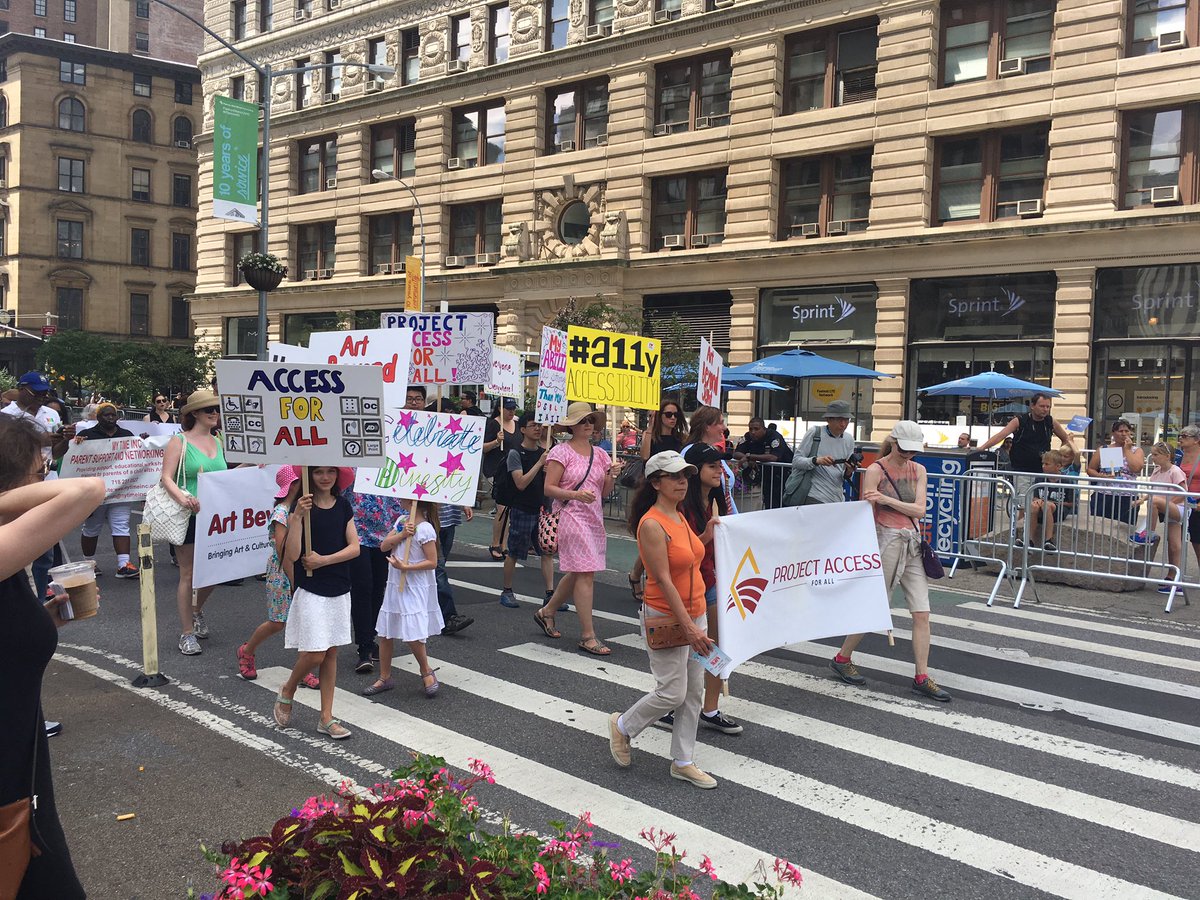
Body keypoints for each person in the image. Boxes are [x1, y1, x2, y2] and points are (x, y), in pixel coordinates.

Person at [0, 414, 105, 898]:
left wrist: (45, 620)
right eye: (39, 470)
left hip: (22, 769)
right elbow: (87, 492)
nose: (45, 480)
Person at [608, 450, 717, 789]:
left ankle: (683, 760)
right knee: (672, 692)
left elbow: (688, 558)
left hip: (695, 611)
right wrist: (688, 626)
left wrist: (708, 534)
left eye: (685, 475)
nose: (682, 481)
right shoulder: (652, 524)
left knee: (694, 691)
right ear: (656, 482)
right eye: (674, 476)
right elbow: (664, 578)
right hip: (669, 617)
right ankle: (624, 726)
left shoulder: (680, 514)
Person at [829, 421, 951, 702]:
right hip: (885, 541)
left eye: (912, 451)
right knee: (874, 606)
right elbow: (866, 512)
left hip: (911, 542)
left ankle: (922, 675)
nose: (908, 456)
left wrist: (886, 499)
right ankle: (842, 656)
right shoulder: (875, 469)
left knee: (922, 612)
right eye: (905, 449)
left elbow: (919, 510)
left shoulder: (918, 469)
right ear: (894, 442)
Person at [274, 466, 360, 739]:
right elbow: (292, 554)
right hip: (311, 587)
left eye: (330, 472)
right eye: (319, 472)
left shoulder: (344, 505)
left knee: (331, 652)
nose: (325, 477)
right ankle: (289, 688)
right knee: (315, 653)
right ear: (310, 476)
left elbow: (355, 547)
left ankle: (326, 717)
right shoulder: (301, 509)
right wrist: (297, 517)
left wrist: (324, 560)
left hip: (339, 585)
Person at [534, 402, 622, 655]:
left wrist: (611, 476)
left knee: (579, 570)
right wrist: (575, 494)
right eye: (582, 420)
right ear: (572, 425)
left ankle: (547, 611)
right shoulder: (560, 452)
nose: (587, 425)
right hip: (570, 515)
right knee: (585, 574)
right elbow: (548, 488)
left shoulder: (602, 454)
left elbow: (603, 493)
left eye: (590, 420)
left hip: (593, 518)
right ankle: (587, 635)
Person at [402, 386, 476, 635]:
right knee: (437, 564)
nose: (414, 403)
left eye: (418, 399)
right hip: (419, 514)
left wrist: (463, 498)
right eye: (409, 399)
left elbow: (458, 463)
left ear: (425, 402)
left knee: (435, 564)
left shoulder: (439, 429)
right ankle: (449, 616)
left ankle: (425, 610)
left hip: (446, 510)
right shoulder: (398, 429)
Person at [159, 389, 228, 656]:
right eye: (209, 409)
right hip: (188, 514)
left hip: (216, 516)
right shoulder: (179, 441)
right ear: (194, 414)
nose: (214, 413)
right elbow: (166, 478)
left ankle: (196, 609)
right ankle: (187, 633)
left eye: (216, 409)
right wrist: (184, 498)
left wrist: (252, 466)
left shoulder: (219, 440)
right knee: (188, 573)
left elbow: (224, 477)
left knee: (217, 570)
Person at [236, 467, 319, 687]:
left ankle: (304, 668)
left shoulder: (300, 509)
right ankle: (247, 650)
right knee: (277, 622)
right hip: (283, 571)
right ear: (293, 486)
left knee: (304, 618)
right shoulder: (282, 512)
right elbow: (282, 551)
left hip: (301, 566)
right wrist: (294, 580)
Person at [679, 443, 741, 734]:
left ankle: (711, 708)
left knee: (716, 645)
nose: (720, 471)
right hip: (686, 587)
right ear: (695, 471)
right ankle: (673, 704)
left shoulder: (717, 502)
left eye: (720, 465)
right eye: (712, 466)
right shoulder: (681, 507)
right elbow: (681, 551)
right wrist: (706, 535)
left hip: (711, 582)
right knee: (683, 651)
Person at [2, 372, 74, 597]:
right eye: (37, 392)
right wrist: (36, 440)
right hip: (18, 486)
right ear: (22, 388)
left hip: (47, 484)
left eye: (45, 393)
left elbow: (56, 453)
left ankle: (40, 598)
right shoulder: (6, 416)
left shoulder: (51, 413)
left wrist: (64, 439)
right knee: (18, 542)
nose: (42, 397)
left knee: (46, 551)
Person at [363, 498, 443, 698]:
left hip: (414, 585)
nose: (398, 498)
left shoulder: (425, 529)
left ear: (412, 500)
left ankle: (426, 670)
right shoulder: (401, 521)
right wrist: (401, 534)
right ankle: (385, 676)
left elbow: (432, 562)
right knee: (386, 631)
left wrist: (407, 567)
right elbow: (383, 546)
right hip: (395, 582)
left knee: (413, 630)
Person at [73, 402, 139, 578]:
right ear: (98, 417)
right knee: (92, 527)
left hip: (119, 490)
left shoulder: (126, 435)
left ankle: (123, 564)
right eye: (106, 415)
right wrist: (76, 444)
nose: (110, 418)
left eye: (113, 415)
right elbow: (74, 457)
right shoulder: (86, 435)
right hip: (95, 491)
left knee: (121, 526)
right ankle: (89, 563)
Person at [630, 399, 688, 598]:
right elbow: (645, 456)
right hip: (652, 489)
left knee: (666, 539)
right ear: (659, 417)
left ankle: (637, 574)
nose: (672, 418)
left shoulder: (681, 439)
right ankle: (639, 576)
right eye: (668, 414)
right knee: (655, 537)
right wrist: (649, 426)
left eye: (675, 415)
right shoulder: (652, 436)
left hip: (672, 491)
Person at [498, 414, 556, 608]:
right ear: (522, 429)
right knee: (514, 551)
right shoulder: (516, 454)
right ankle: (507, 590)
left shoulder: (544, 452)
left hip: (541, 509)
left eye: (539, 425)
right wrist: (539, 464)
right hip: (522, 508)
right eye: (532, 426)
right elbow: (520, 483)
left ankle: (550, 594)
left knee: (546, 552)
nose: (538, 429)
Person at [1130, 442, 1187, 594]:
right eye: (1153, 454)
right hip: (1165, 507)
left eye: (1156, 455)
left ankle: (1149, 533)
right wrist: (1141, 500)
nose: (1153, 458)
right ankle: (1174, 579)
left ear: (1167, 456)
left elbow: (1183, 493)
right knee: (1174, 544)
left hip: (1178, 508)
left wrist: (1166, 505)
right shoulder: (1156, 472)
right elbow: (1153, 491)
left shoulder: (1176, 471)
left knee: (1155, 501)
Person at [976, 392, 1076, 477]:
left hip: (1042, 470)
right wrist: (983, 447)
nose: (1045, 409)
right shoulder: (1020, 420)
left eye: (1048, 407)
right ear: (1032, 406)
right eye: (1042, 406)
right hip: (1021, 470)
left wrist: (1058, 457)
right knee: (1023, 499)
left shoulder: (1050, 421)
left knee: (1039, 499)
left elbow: (1066, 439)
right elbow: (1000, 436)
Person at [785, 400, 856, 507]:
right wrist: (816, 461)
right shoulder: (814, 432)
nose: (843, 424)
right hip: (813, 495)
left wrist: (849, 471)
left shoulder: (849, 439)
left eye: (846, 420)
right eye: (839, 420)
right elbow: (796, 460)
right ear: (828, 419)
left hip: (836, 498)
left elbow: (844, 474)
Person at [682, 407, 739, 514]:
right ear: (707, 426)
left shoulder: (712, 451)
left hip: (724, 518)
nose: (724, 427)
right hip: (703, 517)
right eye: (720, 423)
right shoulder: (690, 452)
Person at [1086, 419, 1144, 523]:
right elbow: (1090, 469)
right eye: (1120, 431)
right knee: (1101, 525)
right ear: (1113, 433)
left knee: (1125, 527)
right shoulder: (1103, 449)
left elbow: (1136, 468)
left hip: (1127, 495)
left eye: (1126, 431)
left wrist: (1127, 449)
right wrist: (1101, 476)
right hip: (1105, 494)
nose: (1124, 434)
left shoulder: (1137, 450)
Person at [484, 398, 520, 559]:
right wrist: (496, 442)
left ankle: (504, 543)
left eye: (513, 409)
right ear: (500, 408)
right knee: (502, 507)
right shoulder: (493, 425)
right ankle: (495, 543)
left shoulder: (518, 425)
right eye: (508, 409)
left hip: (513, 471)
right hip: (496, 471)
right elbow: (481, 447)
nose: (511, 412)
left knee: (510, 509)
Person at [734, 417, 793, 509]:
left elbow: (773, 457)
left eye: (756, 429)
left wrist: (750, 457)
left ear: (764, 429)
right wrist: (746, 458)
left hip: (784, 475)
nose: (753, 432)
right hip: (767, 476)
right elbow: (736, 453)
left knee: (783, 503)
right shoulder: (748, 436)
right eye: (750, 429)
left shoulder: (774, 436)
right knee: (769, 503)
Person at [1026, 451, 1065, 553]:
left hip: (1057, 510)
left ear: (1058, 466)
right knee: (1033, 506)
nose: (1043, 466)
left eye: (1047, 464)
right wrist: (1037, 501)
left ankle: (1049, 540)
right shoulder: (1040, 478)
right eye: (1043, 463)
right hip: (1041, 508)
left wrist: (1049, 502)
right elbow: (1035, 497)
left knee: (1047, 506)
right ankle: (1029, 540)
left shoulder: (1066, 480)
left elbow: (1071, 502)